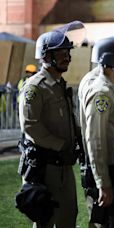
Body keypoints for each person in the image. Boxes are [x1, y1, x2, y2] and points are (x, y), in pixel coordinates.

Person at [18, 30, 79, 227]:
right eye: (61, 52)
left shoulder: (59, 85)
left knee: (69, 216)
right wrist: (61, 145)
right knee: (45, 218)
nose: (67, 57)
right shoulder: (35, 87)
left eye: (68, 52)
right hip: (45, 166)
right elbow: (30, 125)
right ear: (46, 55)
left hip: (64, 164)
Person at [79, 37, 114, 227]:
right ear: (113, 63)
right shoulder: (101, 93)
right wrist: (103, 183)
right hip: (108, 173)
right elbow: (95, 141)